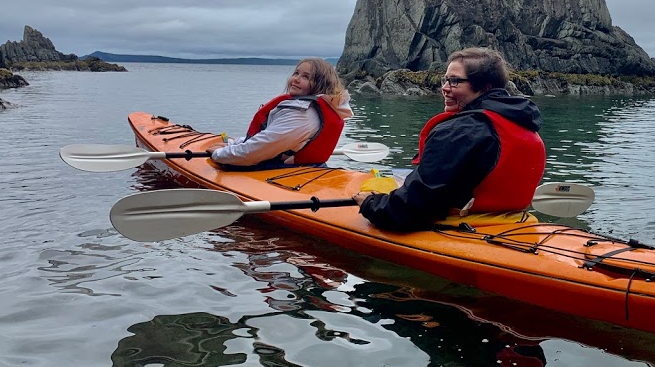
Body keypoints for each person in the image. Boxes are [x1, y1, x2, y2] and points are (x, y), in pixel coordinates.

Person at [353, 47, 546, 231]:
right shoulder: (521, 121)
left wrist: (372, 204)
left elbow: (412, 209)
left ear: (484, 87)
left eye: (454, 81)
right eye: (445, 80)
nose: (444, 88)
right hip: (514, 221)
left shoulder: (461, 130)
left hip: (466, 226)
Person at [209, 58, 353, 168]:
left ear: (321, 84)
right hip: (301, 167)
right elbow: (268, 138)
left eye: (306, 77)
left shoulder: (302, 115)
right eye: (296, 73)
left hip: (284, 170)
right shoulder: (309, 107)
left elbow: (260, 148)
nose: (296, 79)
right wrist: (234, 144)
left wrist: (218, 155)